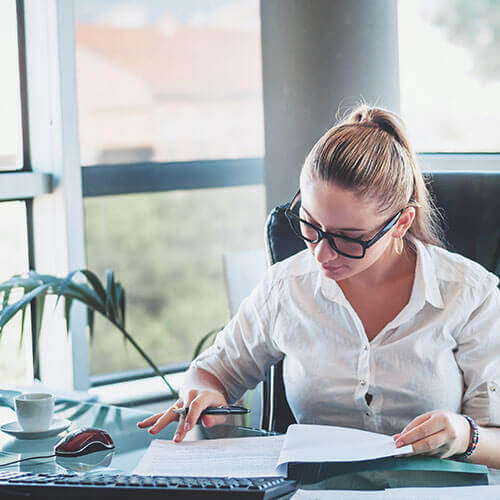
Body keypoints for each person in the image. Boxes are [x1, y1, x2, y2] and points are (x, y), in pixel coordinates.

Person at [137, 105, 500, 468]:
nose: (321, 252)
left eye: (348, 238)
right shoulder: (286, 287)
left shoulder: (470, 295)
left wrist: (465, 436)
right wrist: (202, 395)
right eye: (310, 225)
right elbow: (211, 372)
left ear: (402, 222)